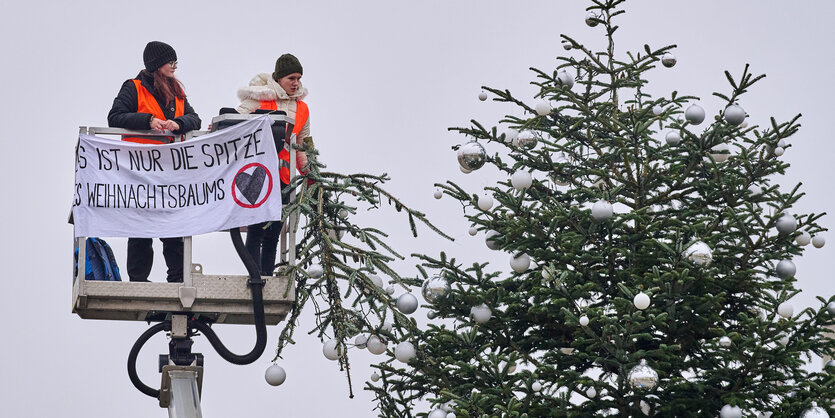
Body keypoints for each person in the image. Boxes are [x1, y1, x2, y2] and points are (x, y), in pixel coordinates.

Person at [107, 41, 201, 282]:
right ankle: (138, 279)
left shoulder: (177, 93)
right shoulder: (133, 87)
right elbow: (115, 117)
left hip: (170, 172)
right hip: (139, 171)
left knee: (173, 226)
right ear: (158, 64)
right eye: (172, 62)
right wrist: (148, 121)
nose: (175, 67)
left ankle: (178, 278)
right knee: (141, 227)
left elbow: (195, 119)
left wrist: (179, 123)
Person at [236, 53, 312, 275]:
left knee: (273, 232)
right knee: (257, 228)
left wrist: (310, 173)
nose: (296, 82)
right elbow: (235, 125)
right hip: (257, 173)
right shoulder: (259, 98)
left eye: (298, 78)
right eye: (291, 78)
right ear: (279, 78)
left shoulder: (303, 108)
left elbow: (302, 145)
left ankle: (266, 279)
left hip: (283, 177)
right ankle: (254, 278)